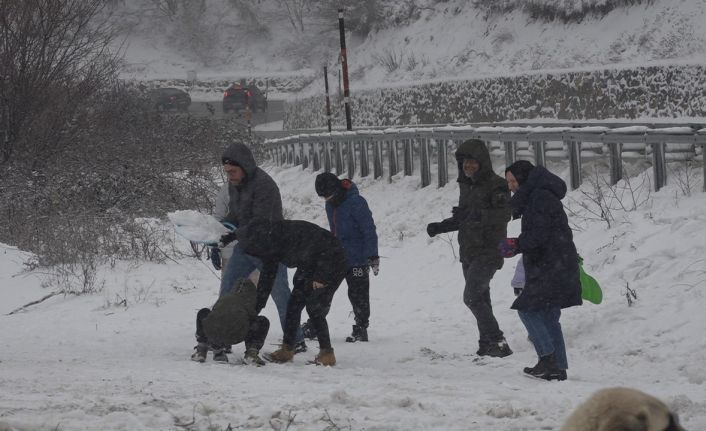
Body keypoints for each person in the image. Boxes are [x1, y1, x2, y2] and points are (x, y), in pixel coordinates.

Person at [212, 142, 306, 352]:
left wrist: (234, 234)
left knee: (281, 295)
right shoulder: (234, 185)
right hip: (246, 247)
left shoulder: (265, 185)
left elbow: (261, 223)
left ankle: (295, 339)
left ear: (244, 166)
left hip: (270, 249)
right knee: (227, 290)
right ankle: (221, 335)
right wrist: (219, 231)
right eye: (226, 172)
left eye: (233, 171)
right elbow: (237, 214)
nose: (229, 176)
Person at [426, 139, 513, 358]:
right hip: (469, 250)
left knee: (472, 297)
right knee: (482, 297)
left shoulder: (497, 184)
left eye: (473, 162)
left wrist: (474, 215)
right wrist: (442, 226)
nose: (468, 166)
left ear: (482, 162)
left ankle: (497, 340)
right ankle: (487, 343)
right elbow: (465, 218)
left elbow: (504, 214)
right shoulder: (467, 185)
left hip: (489, 250)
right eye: (465, 163)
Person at [223, 218, 348, 366]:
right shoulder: (265, 239)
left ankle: (327, 354)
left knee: (315, 308)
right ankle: (287, 350)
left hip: (331, 261)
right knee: (293, 304)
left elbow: (327, 246)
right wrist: (257, 307)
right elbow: (267, 279)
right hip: (309, 264)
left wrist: (322, 276)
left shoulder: (282, 236)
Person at [499, 160, 582, 381]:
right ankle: (557, 366)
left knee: (528, 310)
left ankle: (549, 359)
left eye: (513, 181)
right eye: (508, 182)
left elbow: (539, 235)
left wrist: (515, 244)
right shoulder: (541, 194)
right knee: (548, 315)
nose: (511, 187)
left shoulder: (539, 198)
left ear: (524, 179)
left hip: (551, 265)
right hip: (557, 263)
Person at [302, 172, 379, 343]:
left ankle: (361, 327)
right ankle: (315, 324)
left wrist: (372, 255)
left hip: (357, 258)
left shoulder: (356, 202)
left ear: (336, 189)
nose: (326, 199)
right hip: (336, 257)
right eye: (323, 197)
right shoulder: (330, 204)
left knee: (359, 294)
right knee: (323, 291)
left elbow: (369, 229)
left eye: (328, 195)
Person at [191, 278, 268, 366]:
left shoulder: (225, 298)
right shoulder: (249, 303)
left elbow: (214, 313)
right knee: (262, 321)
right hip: (236, 335)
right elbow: (252, 319)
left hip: (214, 333)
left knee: (204, 313)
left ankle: (202, 350)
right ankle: (251, 353)